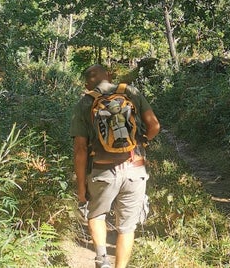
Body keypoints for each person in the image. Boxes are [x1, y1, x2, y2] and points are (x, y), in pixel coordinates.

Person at [71, 64, 160, 268]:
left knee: (96, 214)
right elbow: (154, 125)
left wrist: (81, 188)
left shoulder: (86, 102)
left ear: (87, 84)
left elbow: (80, 149)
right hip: (134, 169)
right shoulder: (131, 92)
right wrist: (143, 142)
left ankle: (102, 259)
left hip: (103, 170)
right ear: (109, 76)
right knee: (127, 228)